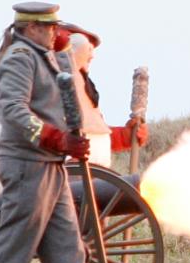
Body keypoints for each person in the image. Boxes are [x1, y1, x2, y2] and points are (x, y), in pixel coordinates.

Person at [0, 2, 102, 263]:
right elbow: (14, 112)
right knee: (13, 247)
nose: (55, 33)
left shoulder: (44, 55)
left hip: (50, 165)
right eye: (48, 28)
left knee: (68, 247)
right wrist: (57, 139)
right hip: (27, 164)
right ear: (30, 28)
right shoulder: (19, 57)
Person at [57, 27, 148, 166]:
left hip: (94, 173)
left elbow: (95, 132)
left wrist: (125, 136)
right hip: (69, 172)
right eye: (87, 48)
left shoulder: (85, 88)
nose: (92, 55)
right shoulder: (53, 81)